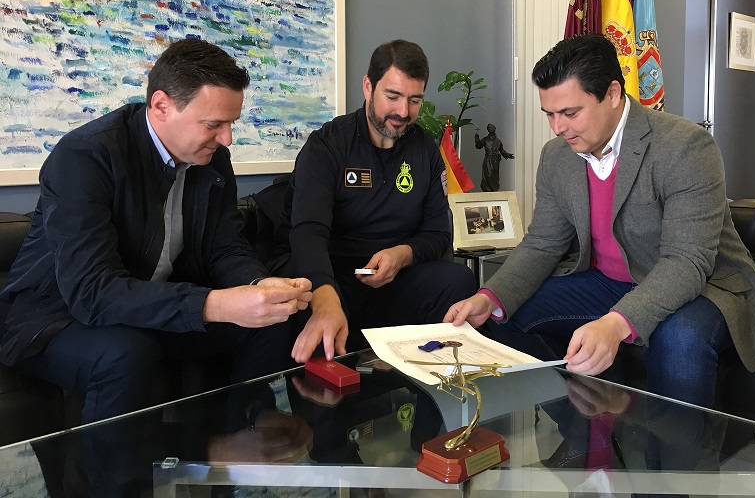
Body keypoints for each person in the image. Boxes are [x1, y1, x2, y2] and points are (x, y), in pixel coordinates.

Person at [445, 33, 755, 408]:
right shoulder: (556, 156)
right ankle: (589, 421)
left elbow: (687, 261)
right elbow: (542, 244)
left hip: (704, 286)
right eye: (549, 114)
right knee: (507, 313)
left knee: (679, 338)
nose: (557, 128)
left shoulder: (685, 147)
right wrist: (488, 297)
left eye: (570, 113)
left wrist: (617, 322)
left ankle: (676, 447)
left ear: (613, 93)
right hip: (610, 282)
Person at [0, 38, 312, 427]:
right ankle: (119, 471)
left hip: (146, 307)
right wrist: (214, 304)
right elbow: (92, 292)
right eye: (213, 124)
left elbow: (225, 247)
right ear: (162, 106)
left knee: (270, 322)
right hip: (55, 317)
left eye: (231, 123)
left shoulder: (213, 160)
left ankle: (242, 442)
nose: (227, 139)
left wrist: (259, 287)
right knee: (125, 353)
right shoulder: (85, 156)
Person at [272, 39, 477, 363]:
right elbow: (308, 232)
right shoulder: (327, 145)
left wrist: (402, 255)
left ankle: (425, 380)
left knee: (459, 280)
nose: (403, 112)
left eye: (414, 100)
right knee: (305, 295)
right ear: (368, 86)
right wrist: (325, 296)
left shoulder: (425, 150)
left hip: (392, 278)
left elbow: (438, 234)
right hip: (331, 274)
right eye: (392, 97)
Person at [474, 123, 515, 191]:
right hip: (488, 158)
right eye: (489, 128)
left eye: (491, 127)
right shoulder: (485, 139)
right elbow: (478, 146)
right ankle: (487, 188)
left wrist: (508, 155)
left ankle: (494, 188)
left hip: (495, 160)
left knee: (495, 175)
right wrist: (477, 139)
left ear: (494, 129)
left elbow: (501, 150)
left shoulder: (498, 141)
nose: (490, 129)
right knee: (488, 174)